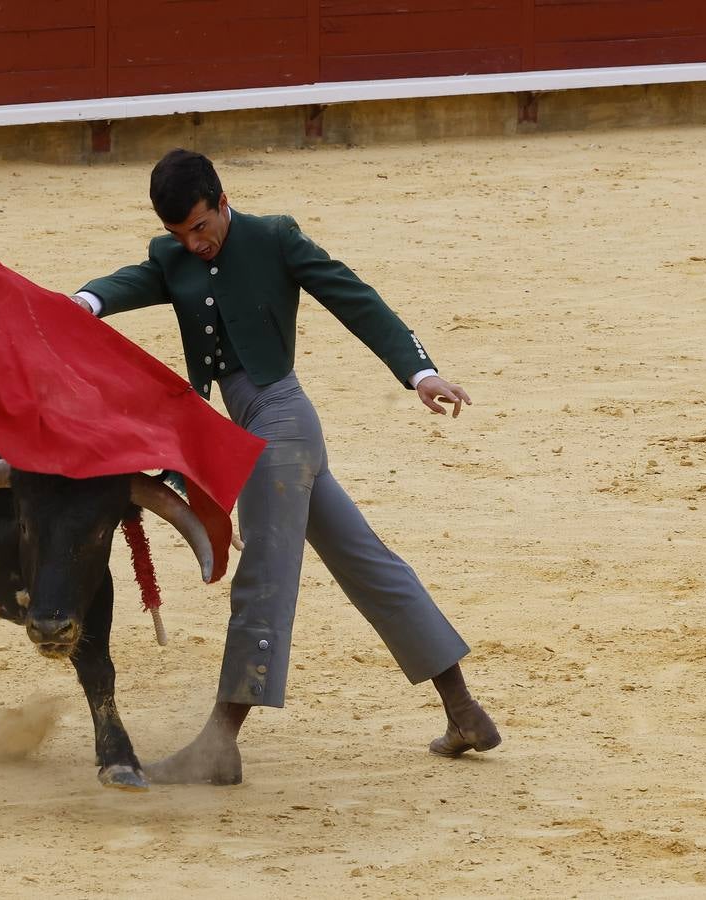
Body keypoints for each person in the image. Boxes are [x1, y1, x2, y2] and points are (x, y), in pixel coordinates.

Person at [69, 149, 500, 785]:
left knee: (264, 575)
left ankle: (220, 742)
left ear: (221, 200)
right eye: (179, 234)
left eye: (200, 226)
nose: (195, 243)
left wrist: (420, 371)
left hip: (282, 426)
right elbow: (129, 281)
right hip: (249, 431)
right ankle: (464, 712)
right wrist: (85, 301)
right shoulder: (175, 258)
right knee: (367, 563)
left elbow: (356, 298)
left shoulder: (274, 238)